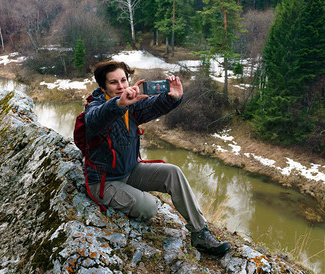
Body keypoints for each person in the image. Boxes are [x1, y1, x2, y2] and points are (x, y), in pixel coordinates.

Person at [84, 60, 230, 256]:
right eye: (113, 83)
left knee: (172, 172)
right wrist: (118, 104)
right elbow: (95, 118)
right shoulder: (95, 107)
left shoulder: (131, 106)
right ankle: (132, 195)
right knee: (151, 208)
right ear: (102, 87)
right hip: (105, 182)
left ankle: (200, 233)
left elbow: (151, 105)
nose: (120, 86)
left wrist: (173, 98)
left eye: (123, 80)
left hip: (129, 171)